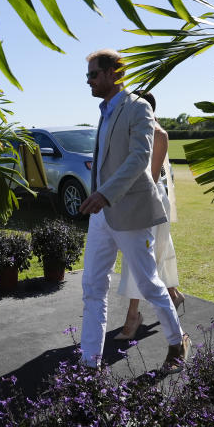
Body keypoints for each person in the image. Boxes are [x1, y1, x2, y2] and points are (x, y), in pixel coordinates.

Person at [78, 49, 190, 373]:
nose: (89, 82)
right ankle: (89, 362)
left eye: (93, 75)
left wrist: (104, 194)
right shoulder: (104, 112)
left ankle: (176, 342)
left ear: (115, 73)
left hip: (129, 213)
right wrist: (98, 197)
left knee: (150, 284)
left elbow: (140, 157)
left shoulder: (138, 108)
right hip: (102, 217)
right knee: (93, 287)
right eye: (87, 76)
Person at [114, 90, 183, 341]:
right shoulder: (133, 132)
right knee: (156, 252)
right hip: (137, 199)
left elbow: (150, 181)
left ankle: (133, 316)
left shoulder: (158, 134)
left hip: (149, 200)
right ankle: (173, 294)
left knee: (139, 256)